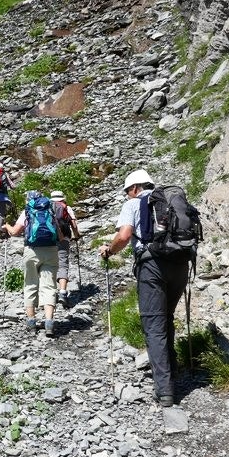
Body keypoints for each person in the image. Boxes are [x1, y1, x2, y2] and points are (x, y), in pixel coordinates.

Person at [98, 169, 188, 408]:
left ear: (135, 188)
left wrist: (109, 249)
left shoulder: (134, 204)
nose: (127, 195)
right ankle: (173, 368)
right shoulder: (167, 200)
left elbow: (125, 235)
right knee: (166, 317)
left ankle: (165, 390)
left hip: (152, 266)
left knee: (153, 325)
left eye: (127, 191)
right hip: (180, 264)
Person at [3, 191, 61, 337]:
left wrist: (7, 226)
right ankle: (49, 322)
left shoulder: (28, 211)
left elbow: (15, 232)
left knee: (30, 284)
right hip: (51, 250)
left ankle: (31, 321)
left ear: (29, 200)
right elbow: (59, 235)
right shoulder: (50, 211)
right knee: (49, 286)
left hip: (32, 251)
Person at [49, 190, 81, 304]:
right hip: (64, 239)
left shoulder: (45, 207)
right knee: (62, 264)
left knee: (49, 265)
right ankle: (62, 292)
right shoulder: (66, 207)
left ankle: (50, 293)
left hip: (48, 240)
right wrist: (76, 235)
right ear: (63, 198)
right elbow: (73, 223)